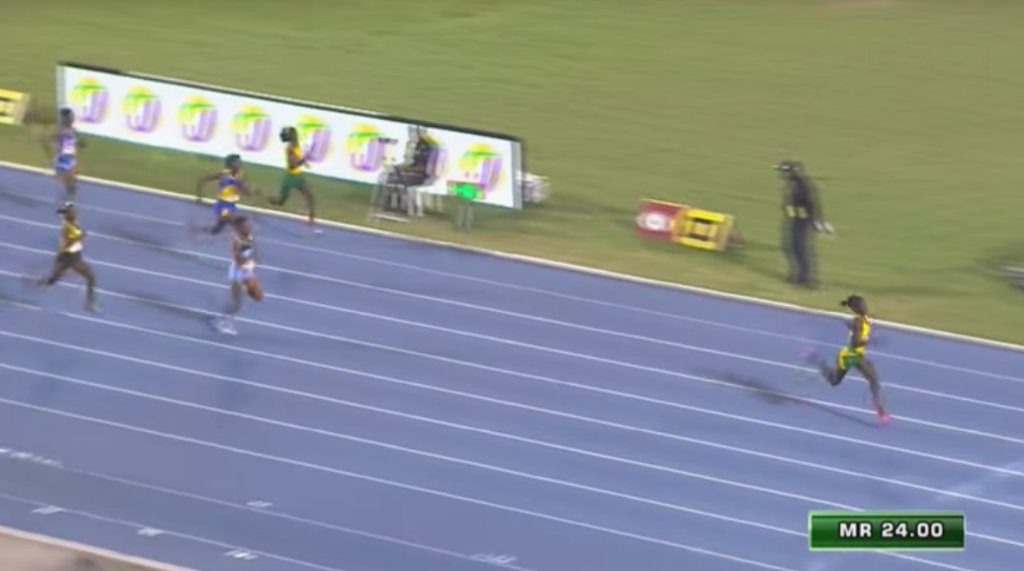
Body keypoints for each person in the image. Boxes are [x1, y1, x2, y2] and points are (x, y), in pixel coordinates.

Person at [805, 295, 890, 423]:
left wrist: (851, 327)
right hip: (851, 356)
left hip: (854, 355)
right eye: (862, 305)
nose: (865, 307)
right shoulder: (858, 322)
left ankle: (819, 363)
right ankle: (880, 411)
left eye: (865, 304)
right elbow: (856, 342)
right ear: (856, 308)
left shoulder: (863, 320)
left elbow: (856, 332)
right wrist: (869, 340)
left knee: (835, 381)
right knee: (872, 379)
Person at [776, 160, 833, 287]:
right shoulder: (791, 185)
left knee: (801, 249)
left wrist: (817, 221)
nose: (782, 175)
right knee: (791, 247)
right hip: (794, 220)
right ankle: (797, 275)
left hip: (803, 221)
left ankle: (806, 279)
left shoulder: (802, 186)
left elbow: (811, 204)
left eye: (784, 172)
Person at [38, 202, 100, 313]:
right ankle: (90, 304)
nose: (76, 214)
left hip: (73, 256)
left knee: (88, 278)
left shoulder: (72, 224)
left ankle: (90, 303)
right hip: (68, 257)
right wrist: (80, 237)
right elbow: (68, 244)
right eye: (73, 212)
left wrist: (81, 236)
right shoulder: (68, 228)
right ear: (68, 215)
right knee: (89, 278)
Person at [210, 216, 263, 335]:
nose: (249, 227)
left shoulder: (249, 236)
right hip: (238, 272)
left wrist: (255, 259)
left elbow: (253, 248)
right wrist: (248, 265)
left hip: (246, 271)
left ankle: (225, 320)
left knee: (241, 302)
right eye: (246, 226)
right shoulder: (237, 241)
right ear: (240, 228)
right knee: (236, 302)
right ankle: (221, 322)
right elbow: (238, 258)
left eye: (248, 225)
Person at [269, 126, 320, 233]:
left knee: (310, 195)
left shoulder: (296, 144)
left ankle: (311, 220)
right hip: (290, 177)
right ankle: (267, 199)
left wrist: (304, 160)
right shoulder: (290, 148)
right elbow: (294, 165)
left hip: (298, 176)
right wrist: (304, 158)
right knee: (280, 202)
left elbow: (298, 158)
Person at [195, 154, 253, 235]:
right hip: (222, 206)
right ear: (231, 164)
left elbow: (247, 192)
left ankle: (199, 230)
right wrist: (199, 196)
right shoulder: (224, 175)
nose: (240, 164)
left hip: (231, 206)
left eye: (240, 162)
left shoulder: (239, 177)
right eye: (238, 162)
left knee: (215, 230)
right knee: (240, 223)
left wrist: (242, 184)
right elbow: (203, 180)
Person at [46, 108, 85, 203]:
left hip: (69, 158)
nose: (73, 118)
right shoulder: (61, 130)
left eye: (73, 116)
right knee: (69, 183)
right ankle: (67, 199)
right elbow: (54, 140)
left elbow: (75, 142)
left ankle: (67, 198)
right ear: (65, 118)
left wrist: (80, 144)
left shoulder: (72, 130)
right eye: (71, 117)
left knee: (71, 184)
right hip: (63, 158)